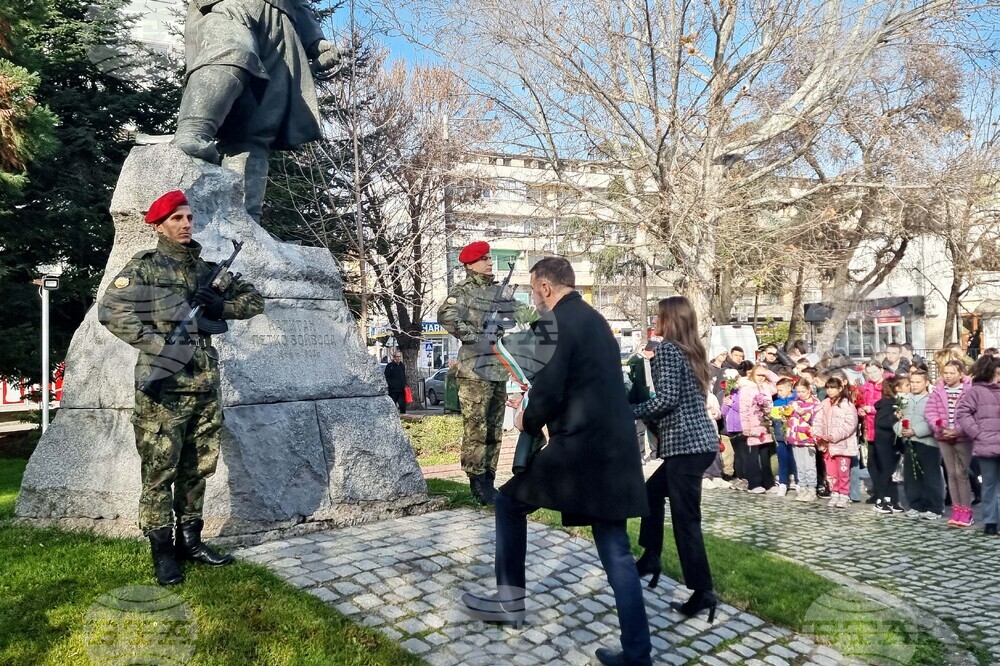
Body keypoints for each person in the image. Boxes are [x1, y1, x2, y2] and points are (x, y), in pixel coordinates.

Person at [461, 257, 651, 666]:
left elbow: (546, 389)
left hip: (581, 447)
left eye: (533, 290)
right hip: (615, 448)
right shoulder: (596, 320)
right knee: (616, 549)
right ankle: (638, 652)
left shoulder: (555, 323)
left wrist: (526, 420)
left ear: (546, 287)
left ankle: (508, 603)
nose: (534, 297)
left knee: (508, 504)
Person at [98, 190, 264, 585]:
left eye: (189, 217)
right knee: (160, 470)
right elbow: (111, 310)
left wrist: (218, 306)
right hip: (165, 388)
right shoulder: (145, 269)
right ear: (158, 225)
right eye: (176, 218)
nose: (186, 223)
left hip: (205, 386)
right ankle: (163, 552)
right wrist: (161, 346)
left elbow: (254, 300)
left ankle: (191, 541)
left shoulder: (207, 269)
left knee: (196, 468)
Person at [171, 0, 347, 220]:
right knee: (232, 52)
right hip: (231, 5)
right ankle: (192, 132)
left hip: (282, 20)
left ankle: (245, 216)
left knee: (259, 125)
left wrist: (315, 41)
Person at [632, 296, 720, 625]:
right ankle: (651, 555)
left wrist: (629, 411)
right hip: (697, 444)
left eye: (659, 316)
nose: (656, 320)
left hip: (687, 446)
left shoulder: (669, 350)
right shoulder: (693, 351)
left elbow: (666, 400)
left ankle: (703, 591)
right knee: (651, 494)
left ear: (669, 319)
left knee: (686, 522)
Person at [437, 241, 515, 505]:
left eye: (489, 258)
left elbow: (511, 320)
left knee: (494, 428)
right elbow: (446, 315)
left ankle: (490, 478)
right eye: (483, 259)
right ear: (470, 265)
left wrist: (507, 313)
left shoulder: (497, 291)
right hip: (473, 371)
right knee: (476, 428)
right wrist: (475, 338)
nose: (489, 262)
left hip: (496, 368)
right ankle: (477, 483)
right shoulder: (463, 291)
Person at [955, 355, 1000, 535]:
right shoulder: (975, 391)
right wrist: (977, 433)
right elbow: (963, 413)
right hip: (986, 444)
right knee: (989, 484)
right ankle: (990, 522)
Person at [926, 360, 973, 527]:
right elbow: (931, 411)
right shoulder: (938, 391)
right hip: (944, 436)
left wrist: (958, 430)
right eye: (945, 372)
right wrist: (940, 427)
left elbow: (971, 413)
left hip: (963, 438)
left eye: (951, 373)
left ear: (960, 374)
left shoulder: (968, 390)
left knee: (962, 473)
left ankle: (967, 509)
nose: (947, 376)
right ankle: (957, 508)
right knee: (951, 474)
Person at [894, 369, 944, 519]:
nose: (914, 385)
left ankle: (934, 507)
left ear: (926, 383)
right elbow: (902, 419)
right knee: (911, 476)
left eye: (918, 382)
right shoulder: (905, 399)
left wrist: (915, 431)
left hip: (928, 443)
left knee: (931, 475)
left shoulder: (933, 399)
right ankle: (916, 504)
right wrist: (901, 429)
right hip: (910, 442)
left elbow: (935, 420)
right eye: (912, 382)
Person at [814, 378, 860, 508]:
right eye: (828, 388)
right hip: (827, 445)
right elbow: (817, 421)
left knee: (843, 471)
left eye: (833, 388)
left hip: (842, 445)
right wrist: (818, 434)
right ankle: (835, 492)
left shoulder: (847, 405)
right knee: (831, 472)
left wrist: (833, 436)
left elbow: (850, 425)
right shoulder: (824, 404)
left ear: (840, 389)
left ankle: (844, 494)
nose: (830, 390)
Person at [740, 365, 777, 493]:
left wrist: (767, 373)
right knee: (753, 455)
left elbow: (777, 383)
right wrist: (745, 426)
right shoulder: (747, 389)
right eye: (758, 375)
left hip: (765, 425)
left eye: (763, 376)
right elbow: (743, 409)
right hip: (753, 425)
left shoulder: (766, 387)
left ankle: (768, 482)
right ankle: (754, 483)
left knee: (765, 454)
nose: (761, 378)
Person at [787, 378, 821, 502]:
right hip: (795, 438)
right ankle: (802, 488)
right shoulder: (794, 402)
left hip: (808, 438)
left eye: (803, 392)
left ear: (809, 390)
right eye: (798, 392)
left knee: (809, 465)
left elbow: (816, 420)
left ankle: (811, 489)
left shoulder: (815, 403)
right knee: (800, 465)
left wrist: (804, 414)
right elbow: (790, 419)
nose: (800, 394)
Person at [858, 363, 885, 505]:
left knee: (882, 463)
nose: (872, 375)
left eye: (875, 371)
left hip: (881, 427)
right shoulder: (866, 386)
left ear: (881, 370)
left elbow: (887, 404)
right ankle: (877, 491)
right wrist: (861, 410)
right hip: (869, 428)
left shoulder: (886, 386)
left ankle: (883, 493)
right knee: (871, 463)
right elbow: (861, 403)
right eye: (869, 372)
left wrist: (872, 409)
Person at [770, 377, 797, 496]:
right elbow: (773, 418)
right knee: (782, 460)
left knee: (795, 459)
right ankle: (782, 483)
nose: (779, 393)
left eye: (781, 390)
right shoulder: (776, 402)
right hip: (780, 436)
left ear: (789, 388)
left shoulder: (796, 400)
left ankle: (797, 481)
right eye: (778, 390)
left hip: (794, 436)